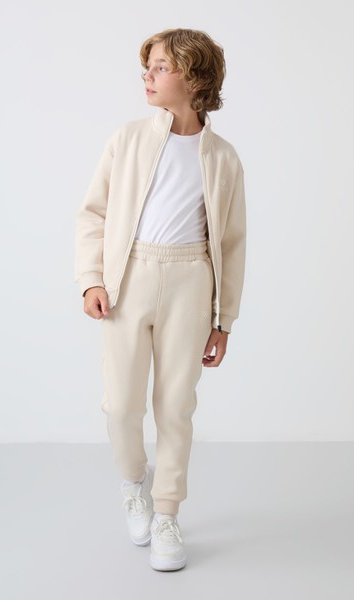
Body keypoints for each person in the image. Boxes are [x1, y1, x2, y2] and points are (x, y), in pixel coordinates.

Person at [74, 28, 246, 571]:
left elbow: (233, 243)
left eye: (161, 67)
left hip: (191, 281)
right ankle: (135, 485)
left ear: (194, 78)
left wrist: (223, 320)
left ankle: (167, 512)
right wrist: (91, 279)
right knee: (121, 404)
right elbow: (94, 213)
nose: (147, 76)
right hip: (129, 279)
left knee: (175, 406)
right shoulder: (126, 140)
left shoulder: (223, 158)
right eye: (146, 66)